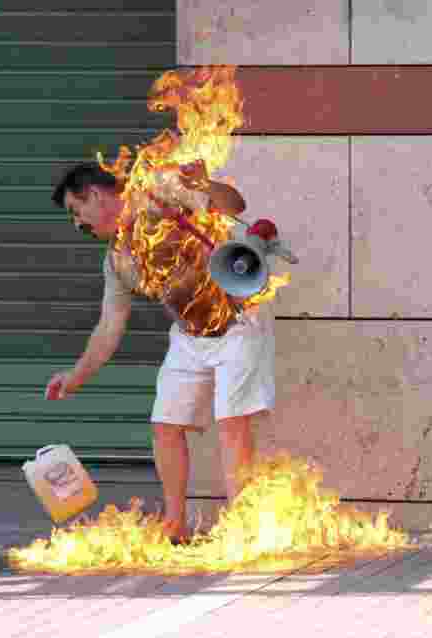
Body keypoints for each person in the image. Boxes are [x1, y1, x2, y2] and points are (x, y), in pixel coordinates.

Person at [46, 160, 276, 543]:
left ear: (97, 195)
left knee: (232, 424)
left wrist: (202, 183)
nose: (78, 224)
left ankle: (244, 530)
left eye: (76, 211)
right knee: (165, 426)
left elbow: (234, 204)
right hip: (189, 336)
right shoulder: (117, 261)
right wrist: (76, 377)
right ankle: (175, 525)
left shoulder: (160, 193)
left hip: (238, 322)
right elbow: (109, 327)